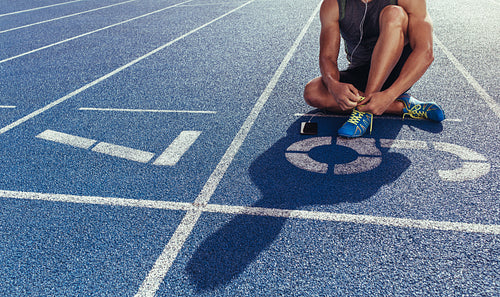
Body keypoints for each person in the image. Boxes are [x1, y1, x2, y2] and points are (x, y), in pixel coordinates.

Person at [303, 0, 445, 138]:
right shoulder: (333, 4)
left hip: (397, 71)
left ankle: (364, 112)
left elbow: (425, 52)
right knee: (313, 92)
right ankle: (399, 107)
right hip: (361, 70)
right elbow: (327, 57)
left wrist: (390, 94)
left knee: (394, 13)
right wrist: (333, 85)